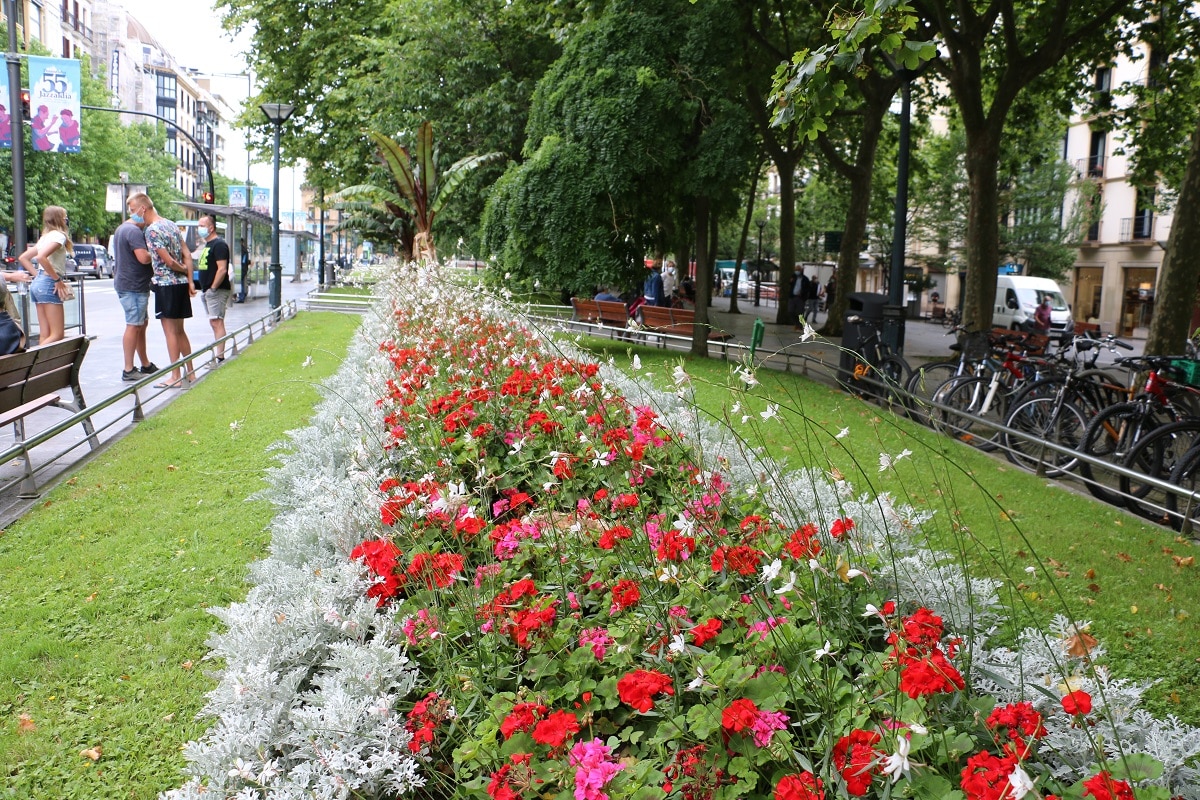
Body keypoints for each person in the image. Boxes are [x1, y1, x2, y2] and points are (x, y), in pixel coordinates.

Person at [129, 192, 195, 388]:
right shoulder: (171, 224)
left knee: (170, 332)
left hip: (166, 285)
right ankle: (190, 372)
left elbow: (168, 261)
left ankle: (175, 376)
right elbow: (187, 254)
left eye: (133, 210)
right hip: (180, 285)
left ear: (143, 208)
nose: (132, 214)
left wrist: (181, 268)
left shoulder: (152, 230)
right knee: (180, 331)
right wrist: (189, 279)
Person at [16, 205, 73, 344]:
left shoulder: (45, 237)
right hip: (48, 284)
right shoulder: (59, 236)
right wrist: (57, 280)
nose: (66, 220)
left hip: (39, 283)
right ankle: (33, 361)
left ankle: (41, 364)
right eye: (65, 217)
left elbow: (23, 257)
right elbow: (41, 257)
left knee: (45, 333)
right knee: (57, 334)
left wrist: (38, 276)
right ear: (59, 219)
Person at [111, 216, 158, 381]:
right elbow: (143, 257)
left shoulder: (123, 229)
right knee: (134, 325)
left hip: (131, 284)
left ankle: (145, 364)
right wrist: (159, 252)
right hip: (133, 285)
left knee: (140, 325)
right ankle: (129, 369)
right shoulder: (133, 231)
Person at [196, 215, 233, 364]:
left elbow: (222, 269)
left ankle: (220, 356)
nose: (200, 228)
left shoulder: (219, 245)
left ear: (211, 228)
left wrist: (213, 287)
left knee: (217, 321)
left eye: (202, 225)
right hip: (208, 291)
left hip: (216, 291)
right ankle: (219, 354)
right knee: (214, 322)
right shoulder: (208, 245)